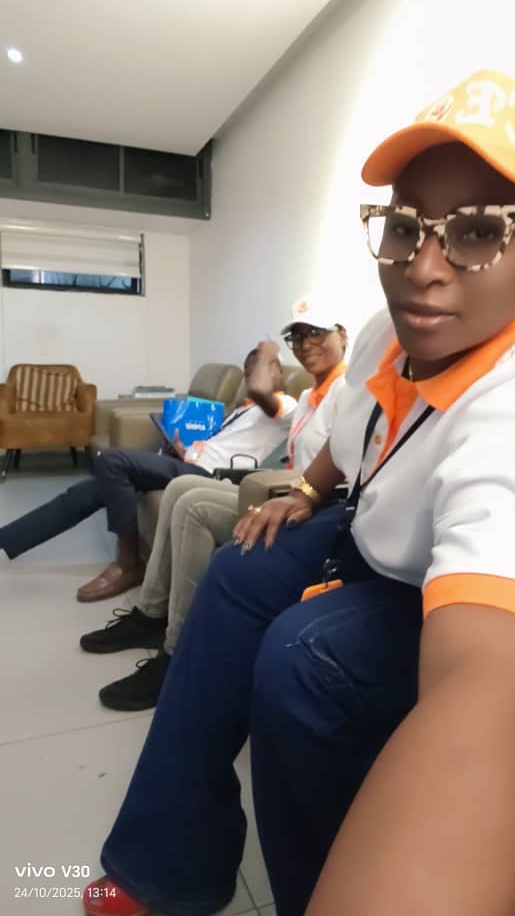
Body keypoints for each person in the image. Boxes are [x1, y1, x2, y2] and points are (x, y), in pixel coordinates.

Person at [83, 68, 515, 916]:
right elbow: (350, 433)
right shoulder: (388, 328)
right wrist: (301, 488)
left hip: (430, 591)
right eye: (405, 227)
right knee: (237, 568)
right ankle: (166, 863)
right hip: (359, 533)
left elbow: (491, 679)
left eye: (479, 231)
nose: (424, 268)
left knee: (304, 656)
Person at [79, 296, 347, 711]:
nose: (305, 343)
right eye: (296, 336)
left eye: (316, 332)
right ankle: (150, 615)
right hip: (279, 488)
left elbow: (344, 468)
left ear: (342, 336)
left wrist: (299, 493)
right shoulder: (311, 395)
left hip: (307, 504)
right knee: (180, 489)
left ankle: (177, 654)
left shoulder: (351, 391)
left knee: (195, 507)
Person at [0, 344, 296, 601]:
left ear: (278, 371)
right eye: (247, 370)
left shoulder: (286, 406)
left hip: (210, 476)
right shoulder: (243, 410)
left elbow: (260, 391)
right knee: (89, 491)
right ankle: (7, 538)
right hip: (191, 462)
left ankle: (128, 564)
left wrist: (267, 352)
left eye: (259, 367)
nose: (251, 374)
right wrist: (182, 449)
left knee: (112, 461)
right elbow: (222, 444)